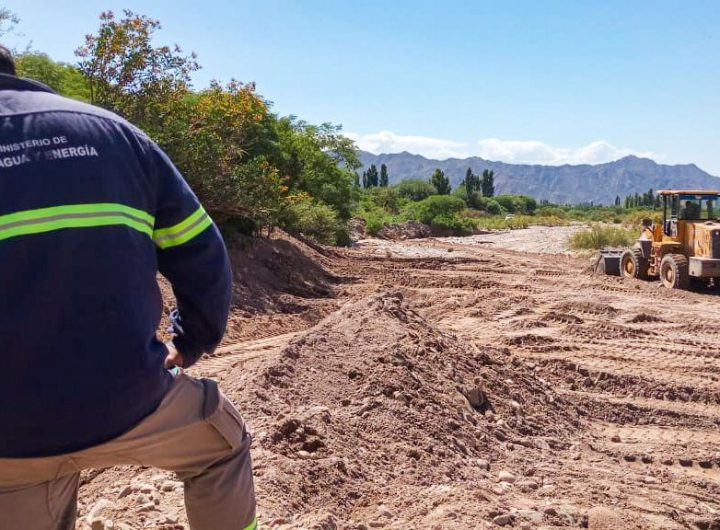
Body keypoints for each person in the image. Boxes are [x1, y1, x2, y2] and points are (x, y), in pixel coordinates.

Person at [0, 44, 257, 530]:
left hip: (8, 438)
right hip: (128, 399)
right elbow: (202, 252)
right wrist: (191, 341)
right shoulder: (114, 134)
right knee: (220, 445)